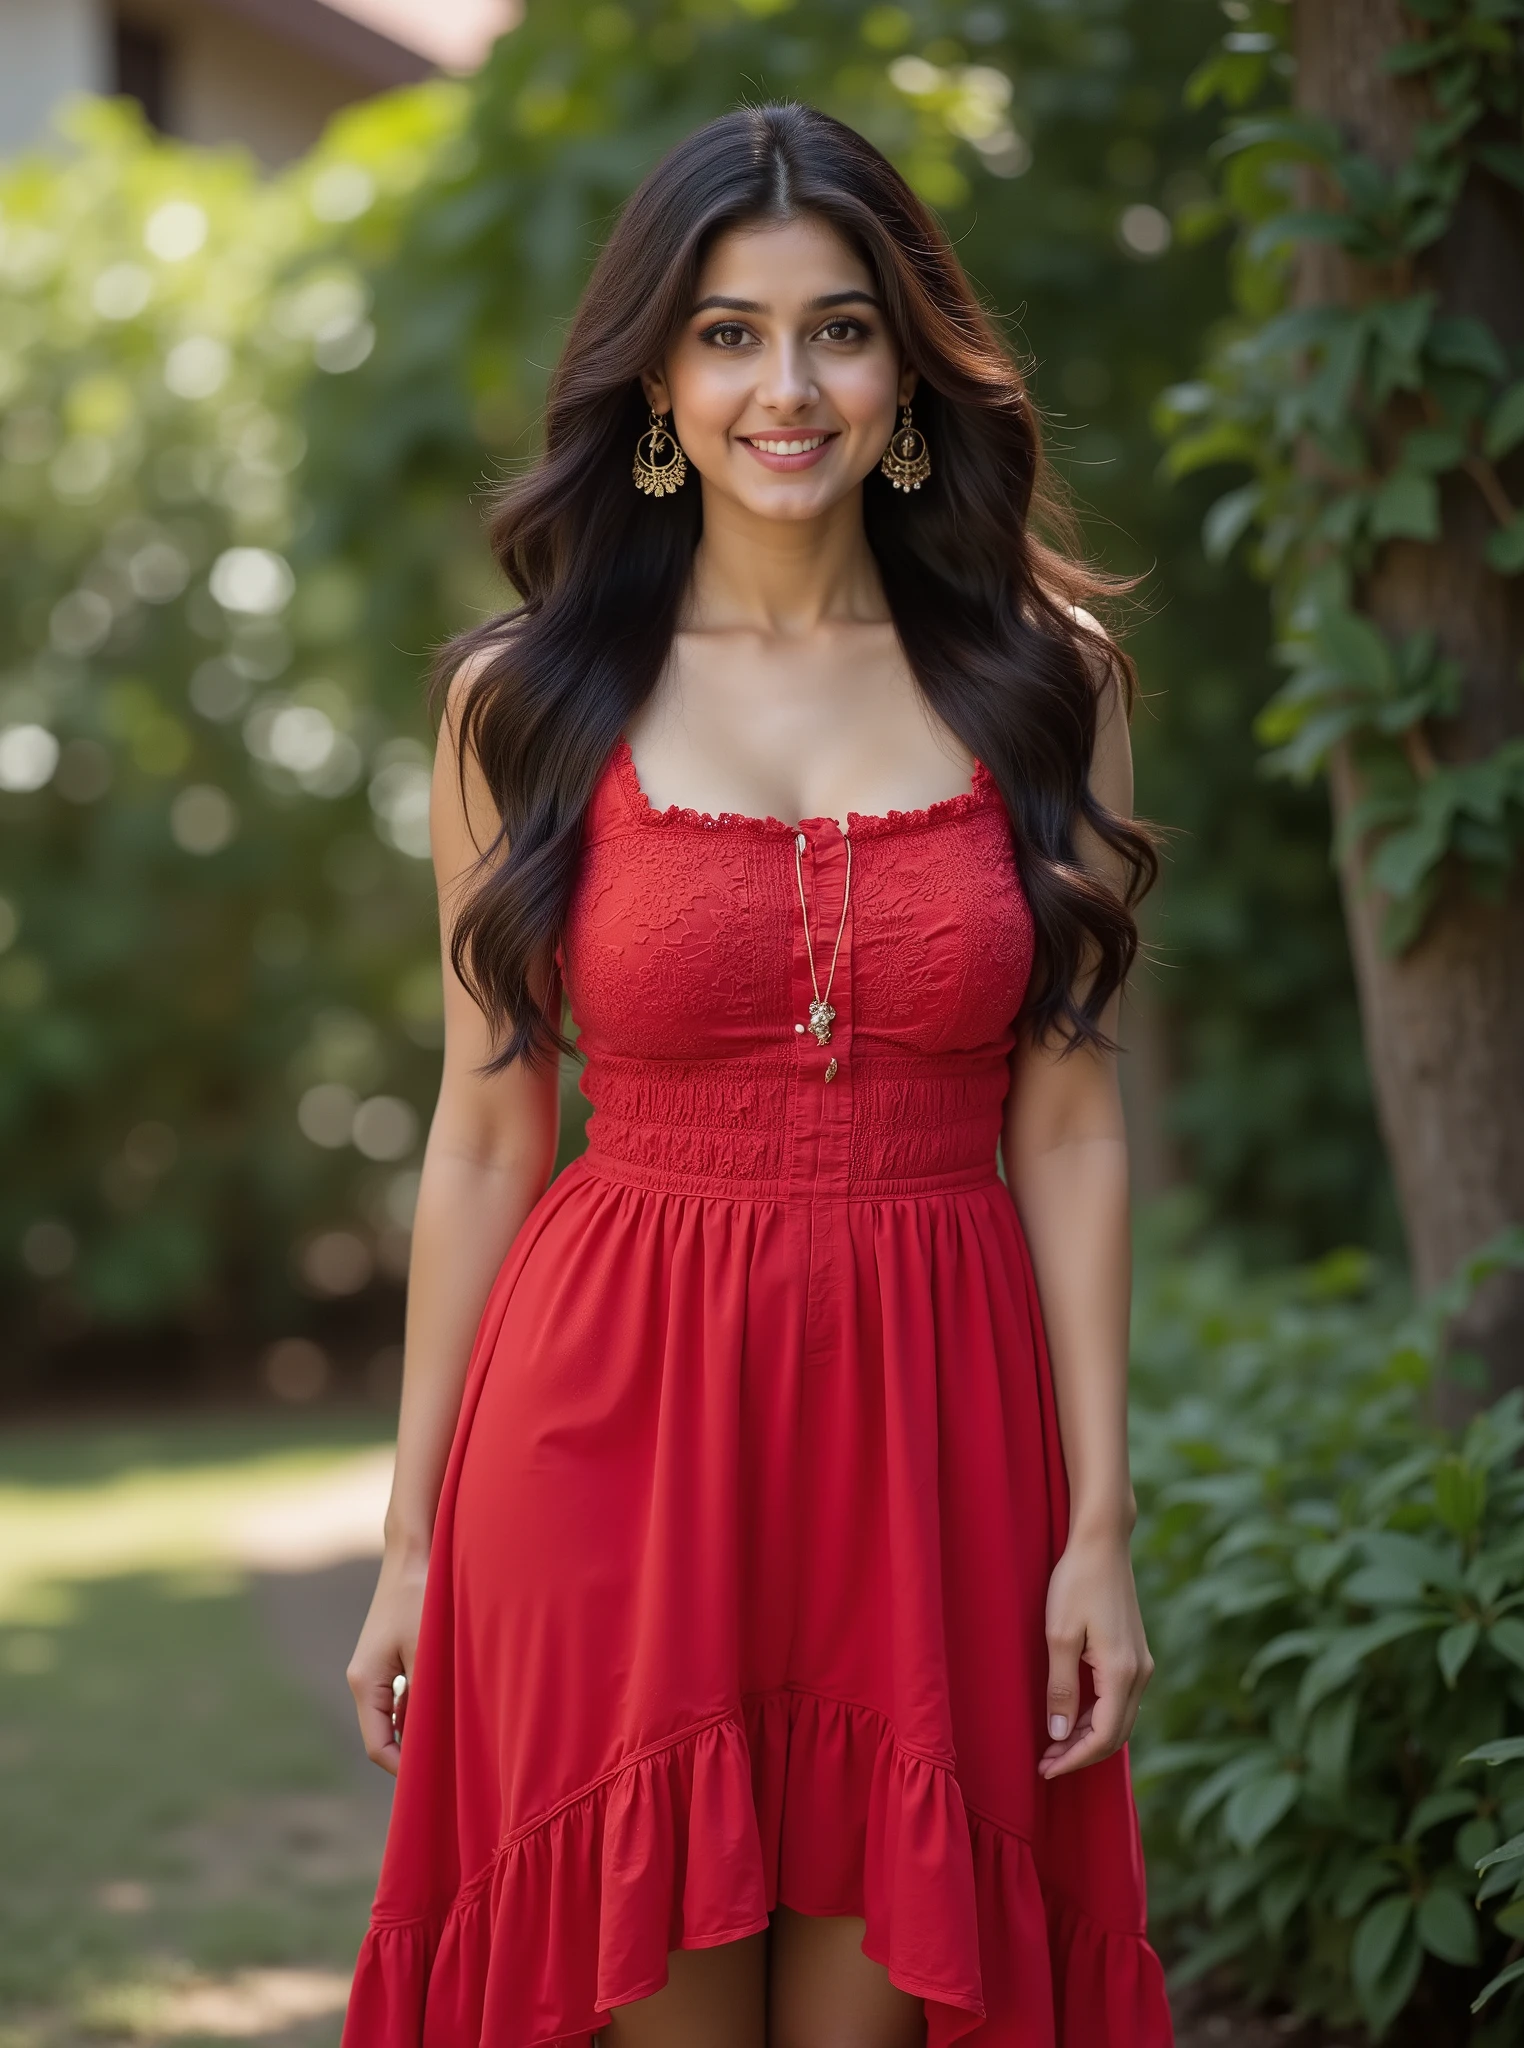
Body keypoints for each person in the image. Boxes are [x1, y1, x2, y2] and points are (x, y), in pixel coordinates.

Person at [342, 101, 1172, 2048]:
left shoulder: (1050, 685)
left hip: (936, 1437)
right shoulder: (523, 702)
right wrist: (410, 1539)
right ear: (656, 379)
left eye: (837, 331)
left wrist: (1100, 1525)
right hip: (608, 1434)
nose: (785, 389)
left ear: (910, 373)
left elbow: (1068, 1123)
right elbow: (484, 1135)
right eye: (728, 334)